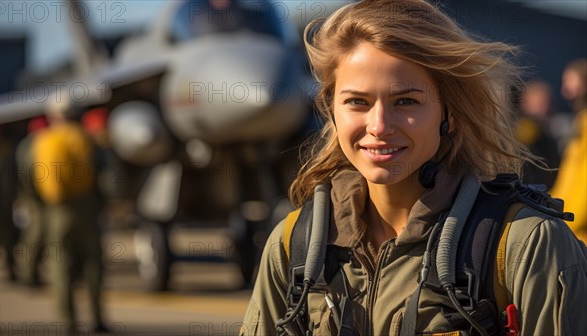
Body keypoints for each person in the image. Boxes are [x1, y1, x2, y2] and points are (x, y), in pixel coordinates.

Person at [241, 1, 587, 335]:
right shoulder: (293, 245)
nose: (379, 125)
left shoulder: (526, 245)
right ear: (331, 111)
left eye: (406, 101)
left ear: (449, 113)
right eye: (357, 102)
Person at [31, 100, 108, 333]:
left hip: (59, 209)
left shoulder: (45, 140)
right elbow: (103, 174)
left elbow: (46, 181)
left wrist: (52, 202)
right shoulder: (87, 138)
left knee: (61, 265)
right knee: (93, 265)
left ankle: (68, 323)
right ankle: (97, 318)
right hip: (87, 207)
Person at [550, 58, 587, 243]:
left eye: (570, 82)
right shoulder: (580, 122)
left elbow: (582, 181)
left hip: (578, 236)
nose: (565, 91)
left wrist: (565, 222)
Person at [15, 116, 49, 286]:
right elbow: (29, 174)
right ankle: (29, 275)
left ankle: (31, 273)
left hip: (35, 196)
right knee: (36, 233)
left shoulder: (28, 144)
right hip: (35, 198)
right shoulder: (32, 146)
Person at [514, 80, 560, 188]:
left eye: (547, 104)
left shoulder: (546, 133)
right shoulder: (523, 131)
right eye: (540, 105)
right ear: (525, 104)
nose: (545, 109)